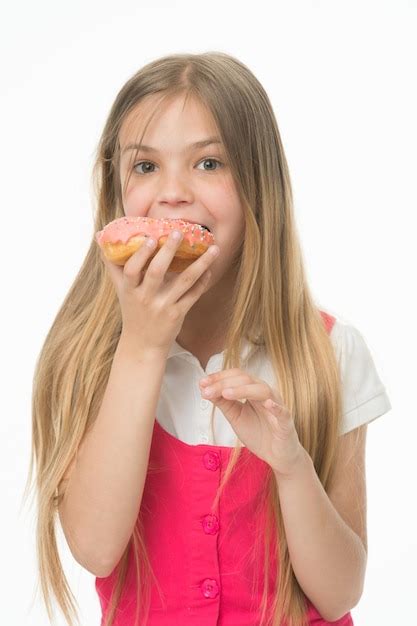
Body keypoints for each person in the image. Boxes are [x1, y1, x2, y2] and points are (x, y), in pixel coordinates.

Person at [25, 52, 392, 626]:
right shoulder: (90, 357)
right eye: (145, 167)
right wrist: (143, 347)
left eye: (209, 163)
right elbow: (95, 548)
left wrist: (291, 465)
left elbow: (341, 592)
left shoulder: (329, 353)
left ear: (259, 187)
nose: (172, 193)